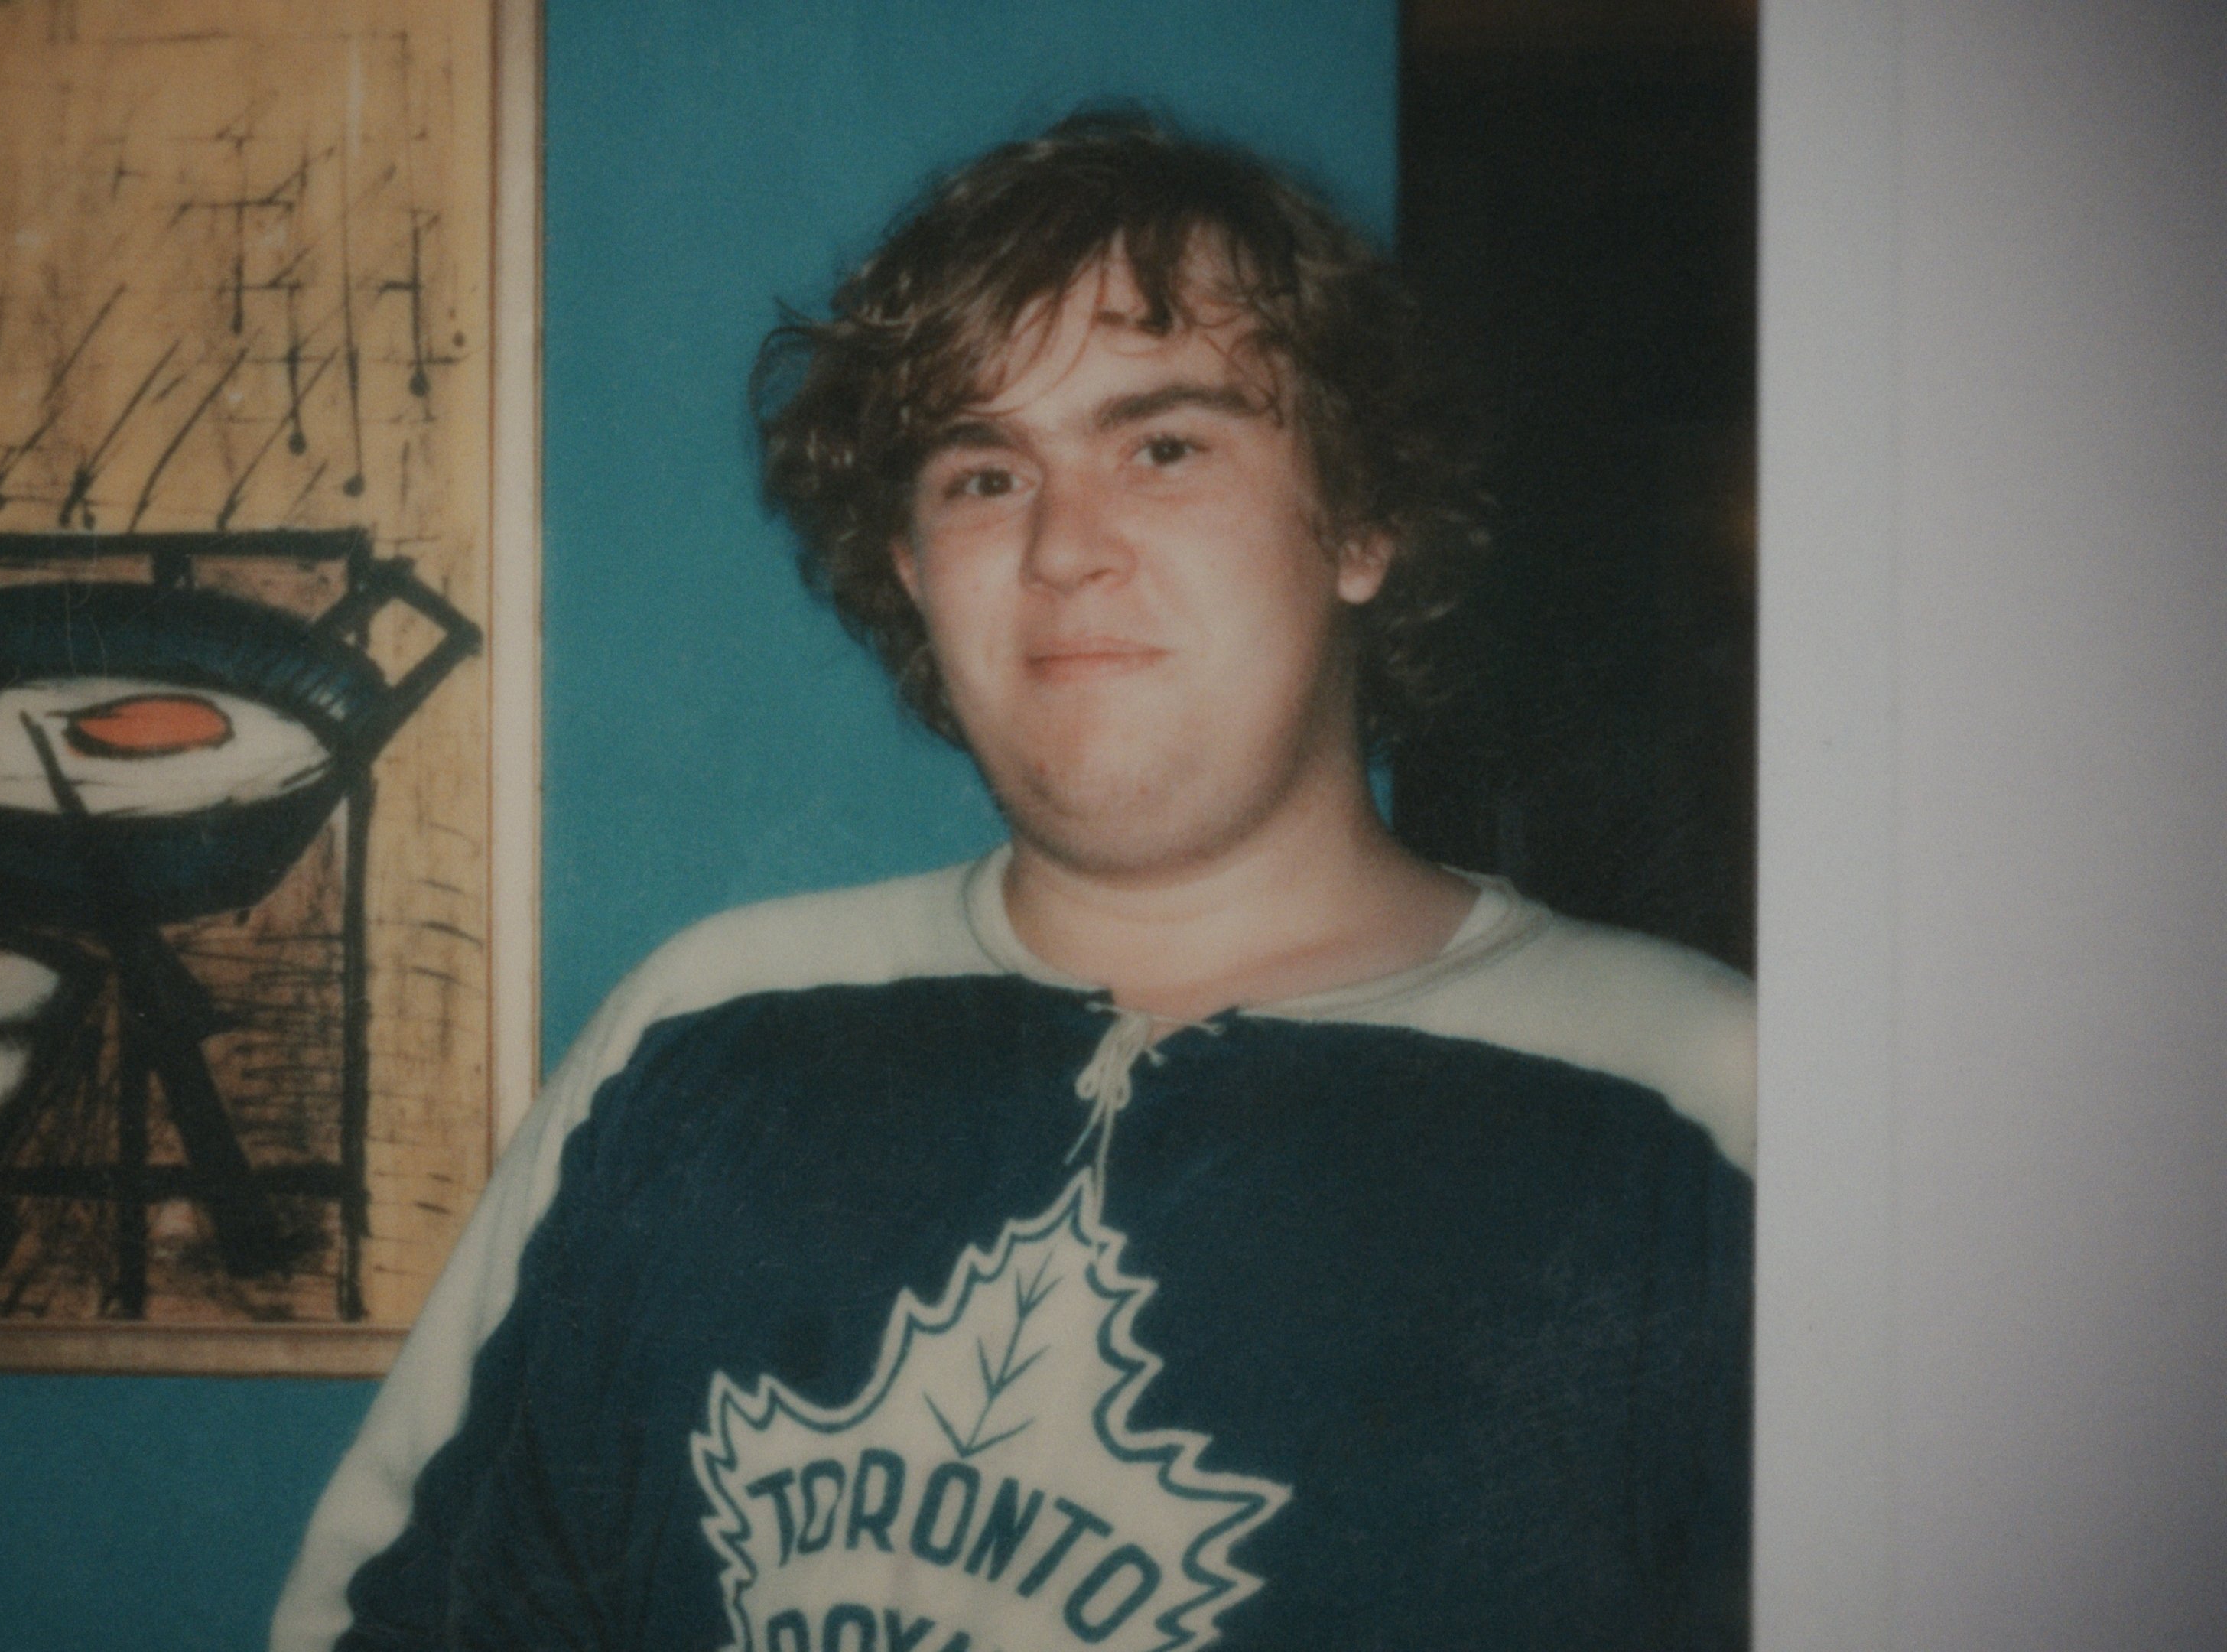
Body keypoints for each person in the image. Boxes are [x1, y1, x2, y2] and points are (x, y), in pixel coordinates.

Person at [271, 110, 1752, 1652]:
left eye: (1163, 447)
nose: (1062, 550)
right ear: (913, 567)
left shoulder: (1700, 1098)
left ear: (1362, 520)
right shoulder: (703, 1034)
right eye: (984, 475)